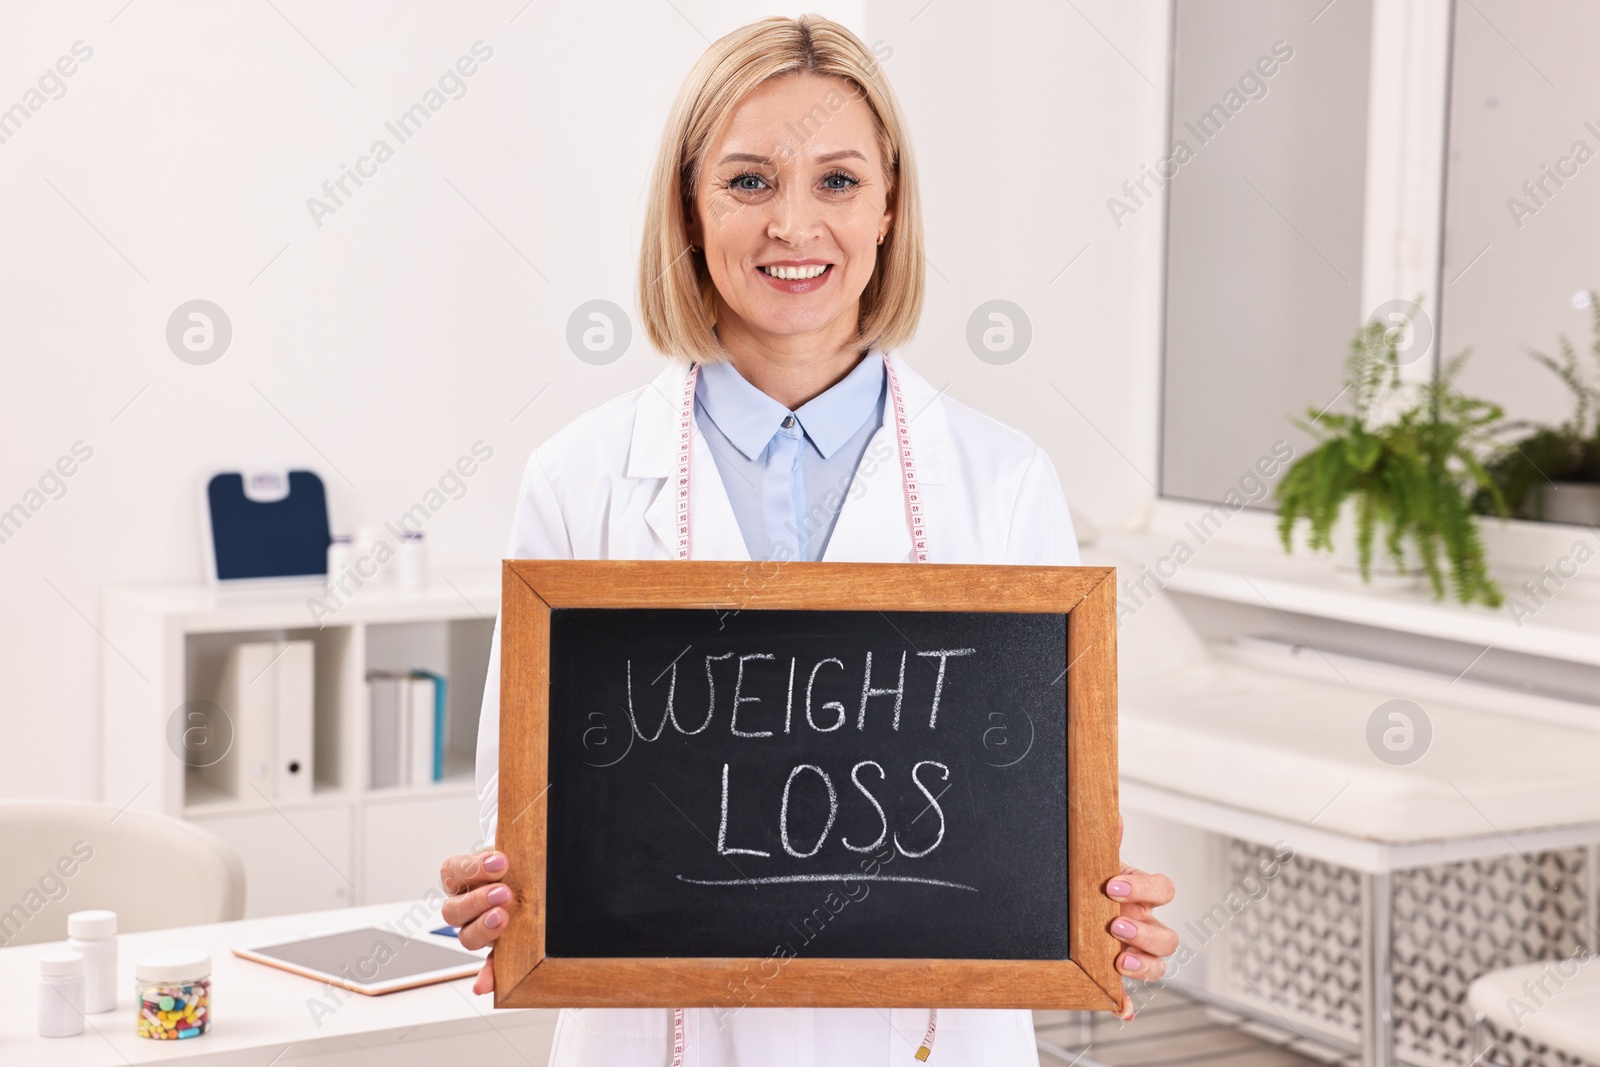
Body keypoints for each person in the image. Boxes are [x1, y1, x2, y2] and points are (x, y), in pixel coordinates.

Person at [440, 14, 1177, 1065]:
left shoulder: (1004, 479)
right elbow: (514, 822)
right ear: (689, 210)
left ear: (889, 208)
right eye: (748, 181)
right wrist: (493, 889)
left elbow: (1037, 820)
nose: (794, 224)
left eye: (836, 181)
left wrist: (1110, 914)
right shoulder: (580, 476)